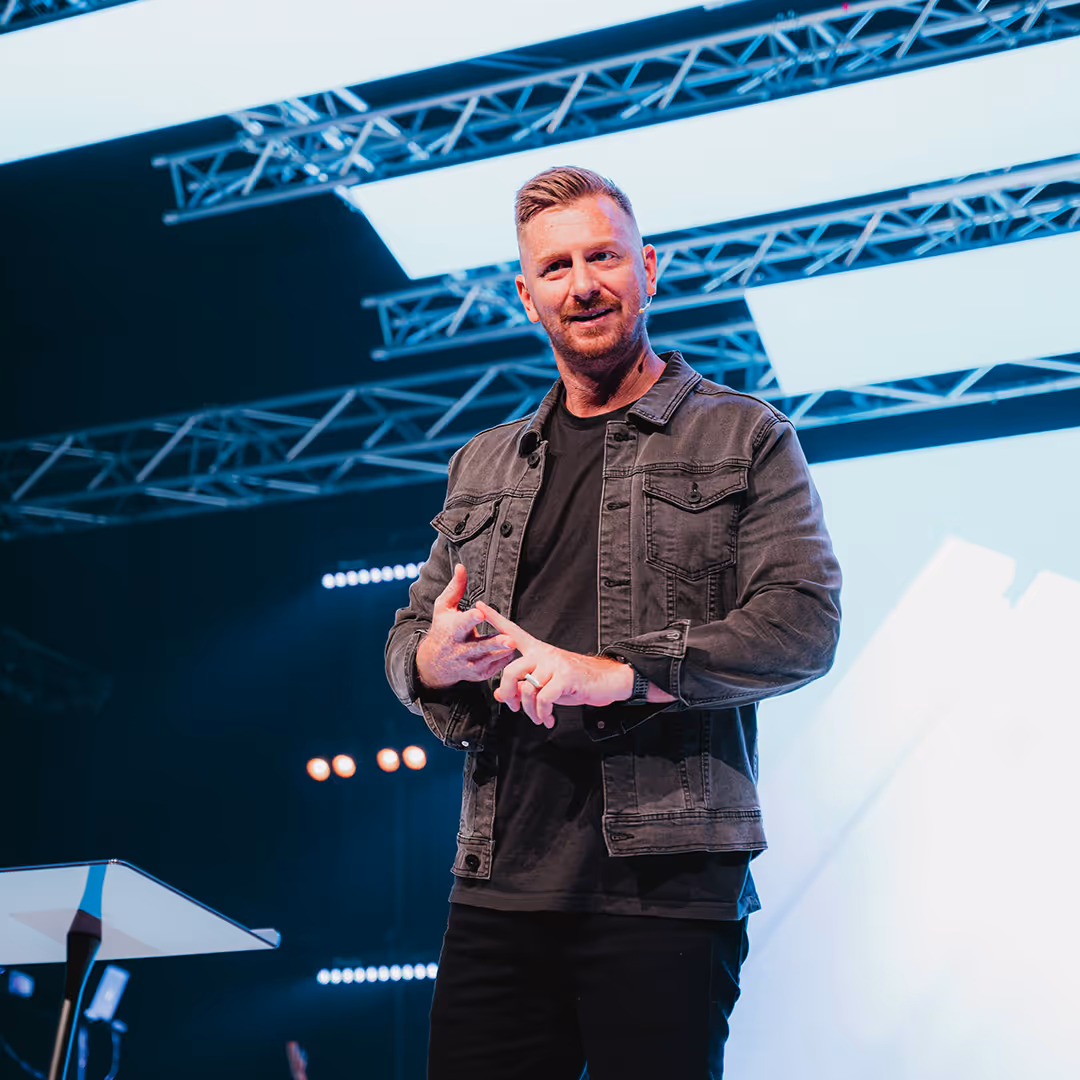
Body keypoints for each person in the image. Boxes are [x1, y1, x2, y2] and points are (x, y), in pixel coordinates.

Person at [385, 166, 841, 1079]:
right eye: (555, 267)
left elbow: (801, 625)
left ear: (649, 271)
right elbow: (409, 639)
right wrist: (433, 661)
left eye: (604, 257)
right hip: (497, 885)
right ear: (527, 296)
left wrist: (618, 672)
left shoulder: (744, 437)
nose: (582, 283)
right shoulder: (481, 465)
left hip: (665, 888)